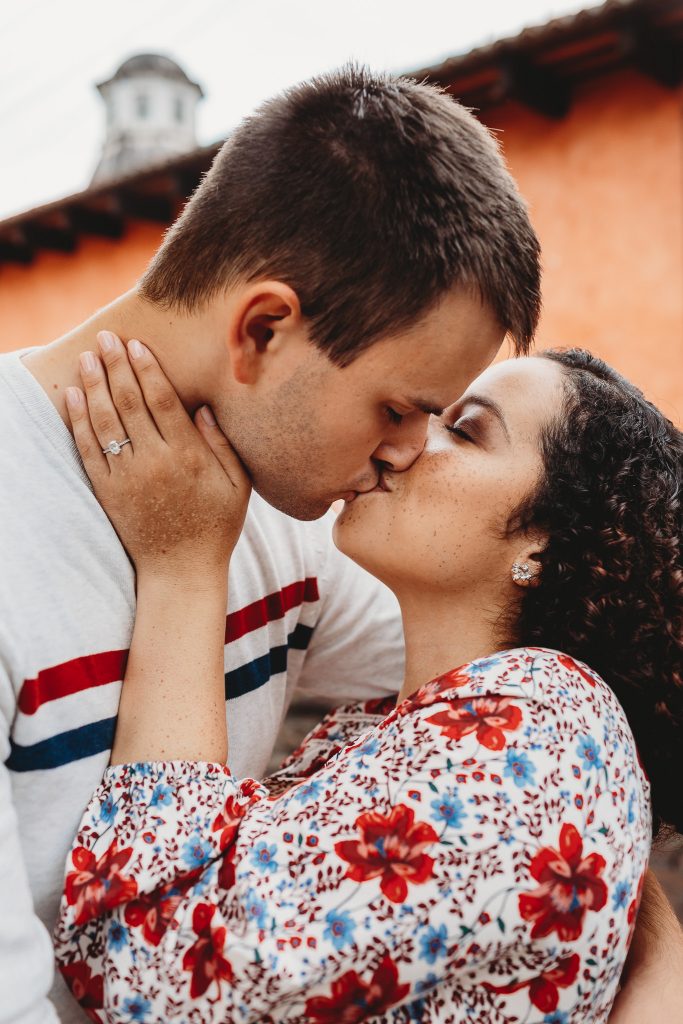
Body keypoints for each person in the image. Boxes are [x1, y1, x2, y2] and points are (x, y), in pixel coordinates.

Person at [0, 66, 542, 1024]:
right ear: (263, 329)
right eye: (396, 408)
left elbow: (512, 708)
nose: (407, 454)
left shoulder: (288, 516)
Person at [54, 342, 682, 1022]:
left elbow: (158, 977)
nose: (401, 440)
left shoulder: (538, 727)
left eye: (464, 429)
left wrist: (183, 561)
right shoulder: (459, 716)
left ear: (547, 538)